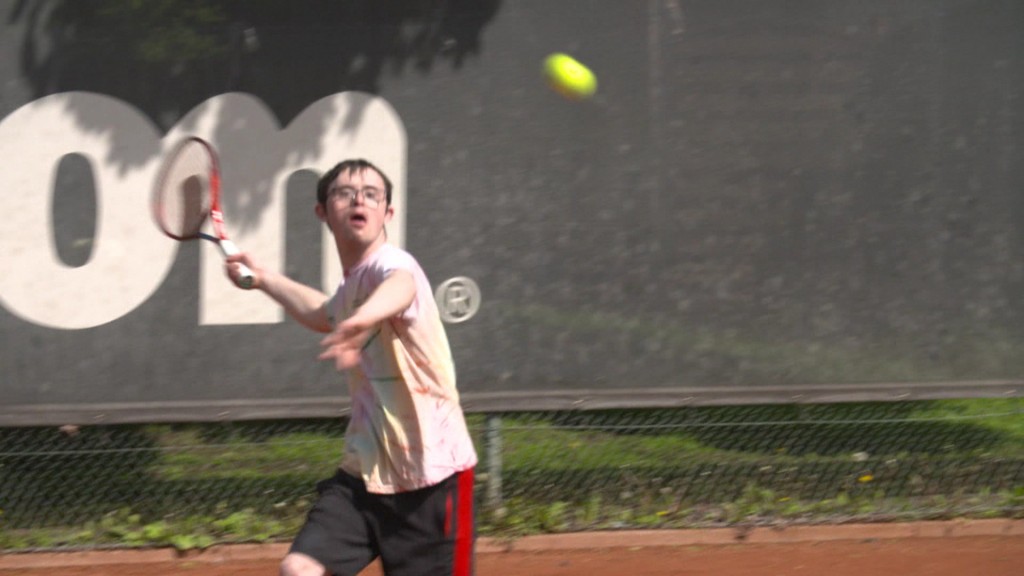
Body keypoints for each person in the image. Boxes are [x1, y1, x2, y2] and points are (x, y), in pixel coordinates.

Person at [225, 159, 478, 576]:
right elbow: (322, 312)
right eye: (344, 192)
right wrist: (261, 278)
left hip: (433, 481)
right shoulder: (350, 288)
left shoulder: (393, 265)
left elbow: (401, 286)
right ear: (322, 211)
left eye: (372, 194)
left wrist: (363, 320)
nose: (359, 198)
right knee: (300, 569)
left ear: (387, 214)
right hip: (363, 476)